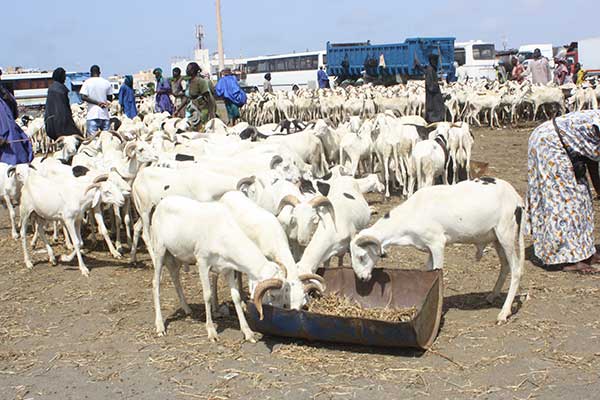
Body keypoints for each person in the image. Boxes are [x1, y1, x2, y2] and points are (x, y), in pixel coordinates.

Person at [526, 110, 600, 273]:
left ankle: (585, 252)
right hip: (550, 143)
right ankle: (565, 259)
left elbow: (593, 158)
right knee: (563, 201)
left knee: (582, 198)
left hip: (566, 147)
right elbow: (594, 163)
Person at [44, 67, 81, 140]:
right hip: (62, 122)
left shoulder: (51, 88)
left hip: (50, 122)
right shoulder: (61, 90)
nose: (64, 78)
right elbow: (64, 109)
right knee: (78, 138)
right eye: (64, 76)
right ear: (60, 76)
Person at [0, 86, 33, 165]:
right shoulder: (4, 95)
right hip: (10, 147)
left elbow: (14, 114)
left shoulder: (4, 96)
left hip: (11, 145)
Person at [80, 65, 113, 135]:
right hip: (104, 115)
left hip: (92, 115)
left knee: (93, 141)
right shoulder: (106, 82)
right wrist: (103, 102)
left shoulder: (87, 82)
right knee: (106, 139)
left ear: (91, 73)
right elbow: (110, 98)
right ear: (99, 72)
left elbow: (83, 97)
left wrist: (97, 103)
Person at [184, 62, 216, 130]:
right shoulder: (189, 82)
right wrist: (178, 110)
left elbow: (208, 97)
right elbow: (187, 97)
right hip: (192, 108)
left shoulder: (201, 81)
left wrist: (211, 112)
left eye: (189, 69)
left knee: (202, 129)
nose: (188, 70)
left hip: (202, 109)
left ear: (194, 70)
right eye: (187, 68)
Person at [425, 53, 444, 123]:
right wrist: (438, 83)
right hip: (432, 95)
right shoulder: (430, 70)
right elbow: (430, 85)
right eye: (435, 61)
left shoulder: (432, 69)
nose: (436, 62)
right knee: (434, 108)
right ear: (432, 61)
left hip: (435, 94)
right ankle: (433, 120)